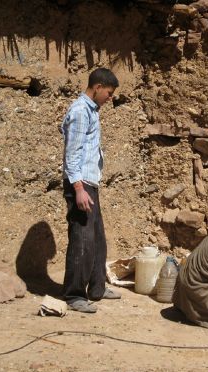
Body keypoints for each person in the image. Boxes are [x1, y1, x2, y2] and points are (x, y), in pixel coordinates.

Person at [61, 68, 121, 313]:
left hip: (89, 184)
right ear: (97, 87)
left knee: (97, 239)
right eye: (108, 93)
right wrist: (78, 188)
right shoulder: (79, 111)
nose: (110, 98)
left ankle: (96, 288)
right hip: (80, 184)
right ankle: (74, 295)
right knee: (82, 241)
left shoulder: (91, 111)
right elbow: (71, 153)